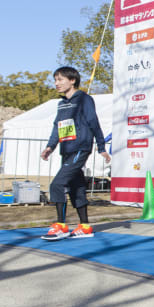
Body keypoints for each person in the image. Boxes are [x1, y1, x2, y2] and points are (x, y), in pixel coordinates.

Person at [40, 67, 110, 240]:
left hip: (80, 147)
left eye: (60, 79)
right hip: (67, 150)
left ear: (72, 80)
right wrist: (50, 147)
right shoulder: (61, 103)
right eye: (55, 80)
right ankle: (85, 226)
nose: (56, 83)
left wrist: (101, 147)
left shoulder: (84, 99)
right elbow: (58, 127)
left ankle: (61, 226)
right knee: (75, 188)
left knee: (57, 184)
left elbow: (94, 122)